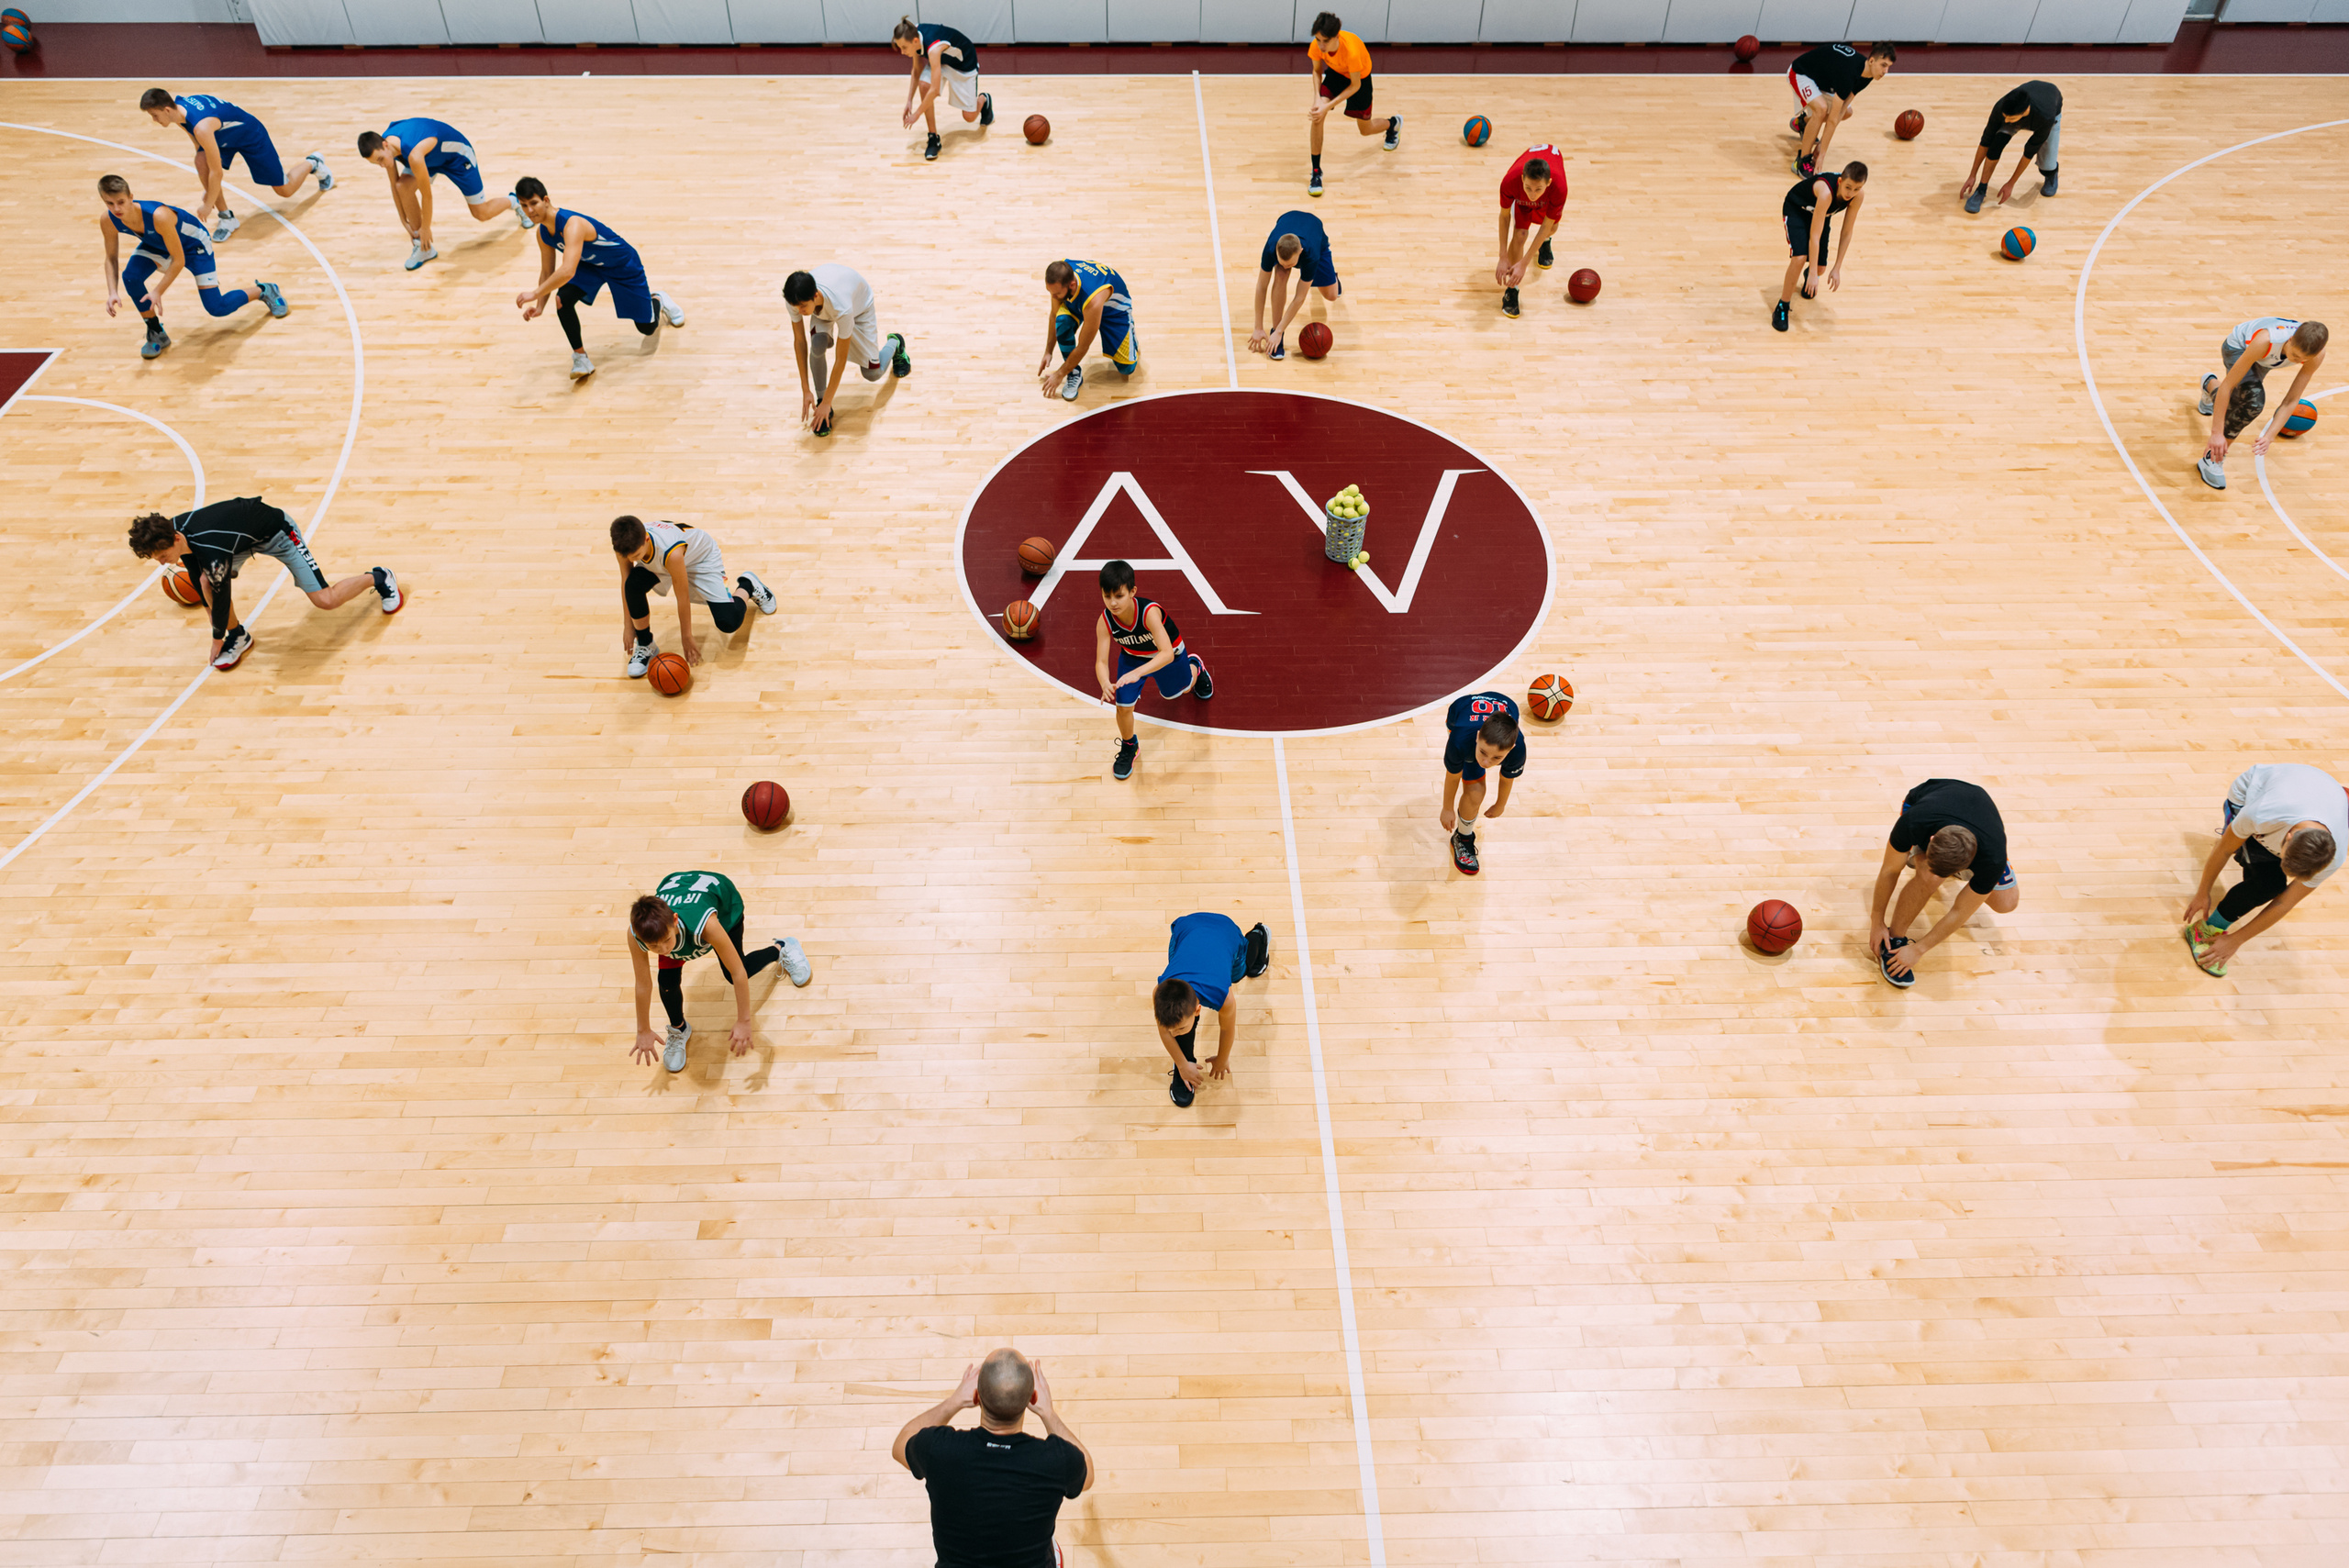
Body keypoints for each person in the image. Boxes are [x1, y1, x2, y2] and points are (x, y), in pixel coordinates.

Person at [127, 497, 399, 673]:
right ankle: (239, 637)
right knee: (205, 584)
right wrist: (214, 619)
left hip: (278, 534)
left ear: (175, 539)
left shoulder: (211, 547)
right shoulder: (173, 530)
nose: (162, 563)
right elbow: (198, 573)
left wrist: (216, 637)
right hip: (237, 543)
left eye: (163, 556)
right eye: (156, 558)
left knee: (326, 600)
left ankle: (380, 577)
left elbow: (221, 596)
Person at [892, 1350, 1092, 1568]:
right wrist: (1048, 1413)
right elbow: (1088, 1473)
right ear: (1033, 1398)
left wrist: (954, 1401)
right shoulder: (1057, 1461)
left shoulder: (938, 1449)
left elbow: (901, 1443)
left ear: (976, 1396)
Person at [626, 871, 812, 1073]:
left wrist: (744, 1020)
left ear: (675, 920)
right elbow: (643, 984)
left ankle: (783, 947)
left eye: (666, 941)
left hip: (724, 906)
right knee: (667, 982)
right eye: (653, 946)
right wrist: (643, 1030)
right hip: (685, 911)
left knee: (735, 971)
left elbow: (738, 972)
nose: (663, 950)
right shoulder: (639, 934)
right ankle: (679, 1029)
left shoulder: (706, 924)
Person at [96, 174, 287, 362]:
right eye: (109, 203)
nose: (116, 209)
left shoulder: (159, 216)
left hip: (194, 246)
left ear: (131, 197)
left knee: (217, 308)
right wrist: (112, 292)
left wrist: (157, 291)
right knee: (131, 277)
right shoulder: (108, 219)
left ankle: (265, 290)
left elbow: (178, 260)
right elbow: (111, 258)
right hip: (158, 244)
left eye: (121, 202)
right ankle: (155, 332)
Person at [2182, 763, 2346, 976]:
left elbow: (2285, 902)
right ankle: (2205, 929)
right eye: (2282, 856)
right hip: (2250, 792)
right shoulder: (2263, 814)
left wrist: (2236, 940)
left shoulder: (2332, 857)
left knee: (2272, 885)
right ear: (2289, 837)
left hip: (2313, 791)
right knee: (2264, 882)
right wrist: (2203, 891)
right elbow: (2224, 849)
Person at [513, 177, 684, 381]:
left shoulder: (572, 224)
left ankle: (658, 299)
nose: (529, 211)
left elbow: (567, 271)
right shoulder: (543, 234)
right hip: (590, 266)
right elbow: (547, 272)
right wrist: (540, 305)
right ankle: (581, 358)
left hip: (622, 264)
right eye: (524, 205)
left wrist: (534, 293)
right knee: (562, 300)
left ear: (546, 200)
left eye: (534, 203)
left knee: (646, 328)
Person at [1866, 779, 2017, 990]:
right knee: (1929, 877)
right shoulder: (1915, 821)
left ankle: (1949, 869)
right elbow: (1890, 870)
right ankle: (1895, 939)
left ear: (1969, 864)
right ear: (1932, 839)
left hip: (1984, 831)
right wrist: (1877, 922)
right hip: (1927, 799)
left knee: (2006, 903)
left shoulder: (1992, 859)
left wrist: (1919, 949)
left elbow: (1960, 911)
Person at [139, 87, 328, 242]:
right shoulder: (179, 111)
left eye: (155, 115)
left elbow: (217, 173)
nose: (154, 120)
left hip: (250, 134)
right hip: (222, 135)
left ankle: (313, 163)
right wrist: (207, 186)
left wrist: (208, 202)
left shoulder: (201, 126)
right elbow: (199, 148)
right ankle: (227, 218)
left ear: (166, 110)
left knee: (284, 190)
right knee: (200, 161)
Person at [610, 515, 776, 679]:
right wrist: (628, 627)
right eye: (629, 557)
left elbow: (682, 597)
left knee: (729, 621)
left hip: (701, 560)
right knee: (632, 585)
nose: (632, 560)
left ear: (646, 539)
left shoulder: (671, 551)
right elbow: (626, 583)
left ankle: (748, 586)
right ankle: (646, 643)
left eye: (636, 556)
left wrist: (687, 636)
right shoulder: (624, 544)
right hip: (664, 563)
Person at [1093, 559, 1212, 782]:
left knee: (1180, 691)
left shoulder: (1148, 613)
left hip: (1168, 656)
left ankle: (1195, 667)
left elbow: (1166, 653)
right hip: (1132, 658)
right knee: (1123, 706)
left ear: (1132, 592)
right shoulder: (1105, 620)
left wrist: (1138, 673)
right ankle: (1130, 745)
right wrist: (1105, 682)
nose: (1113, 603)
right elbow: (1101, 661)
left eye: (1119, 596)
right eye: (1107, 596)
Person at [357, 117, 528, 271]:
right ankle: (424, 248)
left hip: (457, 158)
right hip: (430, 159)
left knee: (481, 213)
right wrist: (404, 222)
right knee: (403, 187)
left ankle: (514, 201)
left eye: (380, 160)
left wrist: (426, 228)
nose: (382, 165)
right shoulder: (387, 147)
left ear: (385, 145)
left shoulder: (413, 153)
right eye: (376, 163)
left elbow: (427, 196)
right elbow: (395, 187)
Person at [1152, 913, 1273, 1107]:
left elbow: (1227, 1028)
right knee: (1180, 1022)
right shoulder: (1160, 991)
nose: (1172, 1034)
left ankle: (1259, 935)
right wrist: (1182, 1065)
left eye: (1178, 1029)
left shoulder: (1224, 997)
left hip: (1226, 932)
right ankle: (1186, 1065)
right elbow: (1165, 1030)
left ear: (1198, 1010)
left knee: (1241, 972)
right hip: (1187, 928)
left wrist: (1222, 1059)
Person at [2196, 317, 2327, 491]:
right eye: (2295, 356)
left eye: (2303, 359)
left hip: (2268, 358)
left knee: (2240, 399)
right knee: (2251, 403)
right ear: (2290, 339)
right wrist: (2216, 434)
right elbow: (2227, 386)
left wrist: (2269, 437)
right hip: (2240, 347)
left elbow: (2291, 400)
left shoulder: (2317, 355)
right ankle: (2213, 458)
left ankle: (2209, 384)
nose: (2297, 361)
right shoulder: (2266, 340)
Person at [783, 266, 909, 437]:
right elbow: (799, 342)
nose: (799, 311)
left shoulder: (842, 308)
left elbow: (840, 360)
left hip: (859, 307)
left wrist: (829, 402)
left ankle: (896, 343)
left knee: (873, 373)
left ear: (815, 295)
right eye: (796, 307)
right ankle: (821, 399)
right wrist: (806, 390)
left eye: (803, 307)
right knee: (817, 344)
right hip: (828, 304)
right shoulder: (796, 299)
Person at [1305, 11, 1398, 198]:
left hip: (1359, 79)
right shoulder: (1317, 45)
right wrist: (1318, 100)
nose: (1321, 46)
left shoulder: (1352, 51)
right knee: (1318, 116)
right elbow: (1316, 71)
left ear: (1336, 36)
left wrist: (1328, 105)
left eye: (1325, 41)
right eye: (1318, 40)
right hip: (1337, 74)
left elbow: (1355, 86)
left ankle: (1393, 124)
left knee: (1365, 130)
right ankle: (1316, 173)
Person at [1773, 163, 1867, 333]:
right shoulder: (1826, 193)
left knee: (1821, 269)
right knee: (1800, 258)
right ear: (1840, 181)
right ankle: (1782, 306)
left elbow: (1847, 232)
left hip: (1820, 214)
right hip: (1797, 209)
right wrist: (1813, 273)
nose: (1850, 193)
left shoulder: (1857, 196)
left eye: (1856, 189)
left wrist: (1837, 268)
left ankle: (1809, 277)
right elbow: (1814, 236)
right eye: (1848, 187)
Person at [1441, 691, 1525, 877]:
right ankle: (1463, 838)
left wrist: (1500, 804)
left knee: (1476, 780)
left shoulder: (1518, 748)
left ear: (1511, 748)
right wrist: (1447, 808)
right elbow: (1453, 777)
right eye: (1483, 752)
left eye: (1497, 758)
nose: (1486, 763)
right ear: (1478, 737)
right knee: (1476, 792)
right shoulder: (1460, 739)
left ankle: (1462, 836)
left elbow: (1507, 778)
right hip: (1459, 710)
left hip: (1507, 704)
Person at [890, 15, 993, 162]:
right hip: (941, 62)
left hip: (964, 65)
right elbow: (916, 70)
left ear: (915, 41)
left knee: (969, 117)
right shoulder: (913, 33)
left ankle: (984, 100)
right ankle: (933, 138)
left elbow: (935, 90)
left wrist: (917, 114)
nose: (902, 52)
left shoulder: (933, 48)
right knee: (924, 85)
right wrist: (909, 101)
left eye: (904, 47)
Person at [1787, 40, 1894, 176]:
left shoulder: (1868, 74)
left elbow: (1842, 109)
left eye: (1889, 67)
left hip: (1823, 81)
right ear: (1872, 61)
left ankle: (1804, 123)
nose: (1885, 72)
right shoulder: (1849, 73)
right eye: (1883, 65)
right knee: (1821, 109)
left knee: (1847, 112)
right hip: (1801, 73)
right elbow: (1832, 119)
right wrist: (1822, 154)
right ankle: (1801, 162)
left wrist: (1822, 145)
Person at [1039, 260, 1138, 402]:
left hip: (1113, 312)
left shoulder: (1093, 300)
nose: (1053, 297)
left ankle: (1130, 333)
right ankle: (1074, 373)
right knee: (1062, 322)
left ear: (1072, 285)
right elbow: (1054, 316)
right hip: (1084, 303)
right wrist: (1048, 351)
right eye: (1050, 292)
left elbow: (1083, 346)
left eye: (1056, 293)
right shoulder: (1061, 274)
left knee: (1126, 369)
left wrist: (1059, 374)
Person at [1250, 209, 1341, 359]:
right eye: (1282, 262)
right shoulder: (1271, 247)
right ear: (1277, 250)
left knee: (1331, 295)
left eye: (1290, 264)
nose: (1286, 267)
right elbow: (1261, 286)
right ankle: (1276, 333)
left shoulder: (1311, 255)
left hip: (1315, 231)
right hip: (1288, 219)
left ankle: (1333, 278)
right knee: (1281, 275)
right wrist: (1258, 327)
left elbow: (1299, 298)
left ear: (1300, 252)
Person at [1961, 80, 2062, 213]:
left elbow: (2028, 153)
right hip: (2026, 109)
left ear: (2025, 111)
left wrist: (2011, 183)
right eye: (2005, 117)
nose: (2006, 121)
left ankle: (2051, 174)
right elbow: (1985, 142)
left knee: (2047, 165)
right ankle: (1981, 190)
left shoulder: (2045, 117)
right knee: (1995, 144)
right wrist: (1972, 175)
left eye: (2011, 119)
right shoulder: (2000, 108)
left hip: (2051, 110)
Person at [1494, 143, 1567, 321]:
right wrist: (1503, 256)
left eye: (1538, 189)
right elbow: (1504, 217)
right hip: (1521, 203)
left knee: (1552, 228)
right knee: (1520, 235)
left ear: (1548, 183)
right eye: (1528, 187)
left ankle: (1545, 243)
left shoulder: (1559, 188)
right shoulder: (1510, 182)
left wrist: (1524, 263)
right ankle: (1511, 291)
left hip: (1548, 201)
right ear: (1522, 179)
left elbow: (1545, 227)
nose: (1532, 195)